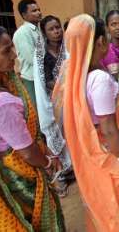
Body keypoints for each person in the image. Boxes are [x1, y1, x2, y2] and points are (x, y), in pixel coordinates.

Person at [52, 14, 119, 231]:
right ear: (101, 42)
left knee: (104, 204)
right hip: (113, 155)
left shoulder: (70, 71)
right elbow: (109, 128)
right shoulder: (99, 80)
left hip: (93, 151)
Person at [0, 23, 64, 231]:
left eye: (12, 47)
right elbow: (28, 153)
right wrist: (47, 162)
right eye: (6, 50)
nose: (14, 54)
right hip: (20, 177)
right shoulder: (1, 103)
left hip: (1, 174)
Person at [34, 15, 72, 196]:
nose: (56, 31)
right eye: (51, 29)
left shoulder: (68, 49)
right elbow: (44, 81)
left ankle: (72, 167)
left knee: (71, 134)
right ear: (44, 32)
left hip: (71, 100)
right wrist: (62, 86)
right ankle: (61, 173)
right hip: (52, 102)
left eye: (58, 27)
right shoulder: (40, 54)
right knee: (56, 135)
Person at [13, 0, 43, 107]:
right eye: (34, 11)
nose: (39, 13)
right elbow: (31, 58)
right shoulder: (23, 33)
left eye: (39, 10)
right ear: (24, 15)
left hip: (40, 77)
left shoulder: (37, 30)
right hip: (32, 78)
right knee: (37, 110)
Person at [101, 10, 119, 80]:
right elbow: (117, 78)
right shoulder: (106, 51)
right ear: (107, 28)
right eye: (113, 24)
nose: (118, 27)